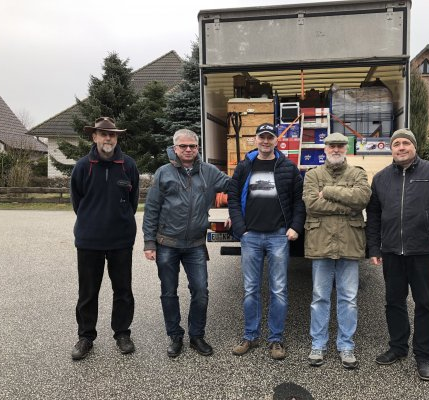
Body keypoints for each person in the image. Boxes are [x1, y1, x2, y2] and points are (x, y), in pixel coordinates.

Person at [366, 128, 429, 381]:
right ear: (391, 149)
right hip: (392, 251)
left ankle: (424, 355)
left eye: (406, 143)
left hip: (424, 251)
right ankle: (398, 347)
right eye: (396, 144)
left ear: (414, 147)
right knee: (394, 302)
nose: (401, 147)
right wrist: (374, 248)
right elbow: (374, 216)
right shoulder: (381, 178)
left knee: (425, 304)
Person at [143, 129, 230, 358]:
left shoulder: (209, 172)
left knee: (200, 291)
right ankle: (175, 336)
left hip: (195, 245)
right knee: (168, 292)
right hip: (167, 243)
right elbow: (151, 209)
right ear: (175, 148)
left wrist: (235, 211)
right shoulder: (163, 173)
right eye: (183, 146)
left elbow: (234, 186)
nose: (188, 150)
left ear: (198, 148)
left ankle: (196, 336)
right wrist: (149, 243)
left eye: (192, 146)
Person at [228, 122, 305, 360]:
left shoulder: (288, 167)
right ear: (255, 140)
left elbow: (299, 200)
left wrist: (295, 227)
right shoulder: (244, 166)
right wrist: (241, 229)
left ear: (276, 141)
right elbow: (232, 197)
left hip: (278, 236)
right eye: (261, 137)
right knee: (251, 289)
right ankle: (250, 335)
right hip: (250, 236)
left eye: (270, 137)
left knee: (279, 290)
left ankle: (276, 339)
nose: (265, 141)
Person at [70, 117, 139, 360]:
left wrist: (121, 220)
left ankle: (122, 333)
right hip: (90, 241)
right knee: (88, 292)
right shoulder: (83, 166)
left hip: (121, 240)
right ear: (94, 137)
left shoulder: (128, 165)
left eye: (112, 134)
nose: (108, 138)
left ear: (117, 138)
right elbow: (78, 202)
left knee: (123, 290)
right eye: (103, 134)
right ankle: (86, 337)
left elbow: (132, 201)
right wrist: (92, 221)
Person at [302, 132, 371, 369]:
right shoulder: (312, 175)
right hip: (321, 242)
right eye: (332, 146)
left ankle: (346, 346)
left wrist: (330, 192)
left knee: (348, 299)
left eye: (340, 146)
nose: (336, 149)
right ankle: (318, 344)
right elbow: (311, 204)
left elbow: (361, 199)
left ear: (346, 149)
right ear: (325, 149)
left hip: (349, 242)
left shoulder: (358, 174)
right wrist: (347, 206)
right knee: (319, 298)